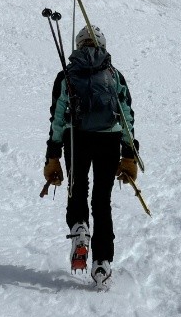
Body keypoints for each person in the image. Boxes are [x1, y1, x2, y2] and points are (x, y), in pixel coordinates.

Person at [41, 23, 139, 284]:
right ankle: (102, 262)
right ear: (103, 46)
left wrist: (53, 154)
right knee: (102, 200)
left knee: (77, 188)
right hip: (109, 138)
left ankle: (79, 227)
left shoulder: (67, 76)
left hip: (77, 138)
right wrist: (129, 152)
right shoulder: (114, 74)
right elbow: (126, 115)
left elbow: (58, 118)